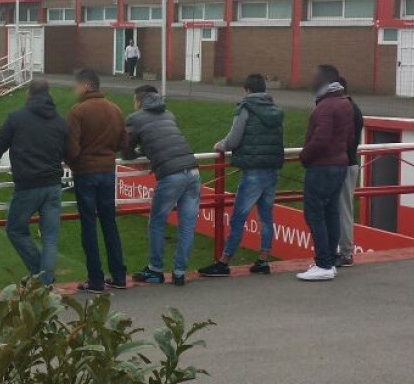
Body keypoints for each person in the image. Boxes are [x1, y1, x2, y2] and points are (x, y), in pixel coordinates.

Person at [0, 79, 68, 288]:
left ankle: (39, 276)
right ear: (49, 94)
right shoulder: (60, 121)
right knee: (50, 238)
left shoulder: (16, 118)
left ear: (29, 94)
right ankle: (44, 281)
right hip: (54, 184)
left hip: (28, 185)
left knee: (15, 230)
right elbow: (67, 151)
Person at [199, 74, 284, 277]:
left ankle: (224, 262)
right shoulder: (276, 111)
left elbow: (234, 139)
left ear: (246, 90)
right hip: (271, 169)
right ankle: (263, 260)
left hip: (253, 171)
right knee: (266, 217)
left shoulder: (245, 108)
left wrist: (220, 145)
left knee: (238, 218)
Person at [124, 85, 200, 286]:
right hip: (192, 170)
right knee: (187, 225)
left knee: (157, 221)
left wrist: (143, 153)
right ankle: (179, 272)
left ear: (138, 101)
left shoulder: (135, 118)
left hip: (170, 174)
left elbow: (126, 151)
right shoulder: (169, 114)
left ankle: (155, 269)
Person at [65, 69, 129, 293]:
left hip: (85, 174)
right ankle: (119, 276)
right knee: (110, 224)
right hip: (108, 171)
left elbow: (72, 148)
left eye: (77, 86)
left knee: (89, 227)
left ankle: (95, 280)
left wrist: (71, 163)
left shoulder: (77, 112)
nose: (74, 90)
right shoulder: (115, 109)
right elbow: (124, 143)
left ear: (87, 86)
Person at [297, 65, 354, 282]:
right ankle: (329, 260)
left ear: (323, 81)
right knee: (331, 212)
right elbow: (347, 137)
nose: (311, 81)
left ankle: (323, 263)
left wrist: (305, 156)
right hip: (339, 164)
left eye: (314, 77)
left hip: (322, 166)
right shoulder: (344, 103)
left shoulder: (325, 107)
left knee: (314, 214)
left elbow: (320, 139)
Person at [336, 77, 364, 268]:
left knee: (343, 209)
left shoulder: (345, 109)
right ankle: (342, 251)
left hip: (343, 165)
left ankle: (345, 253)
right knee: (343, 208)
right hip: (350, 162)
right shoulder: (355, 108)